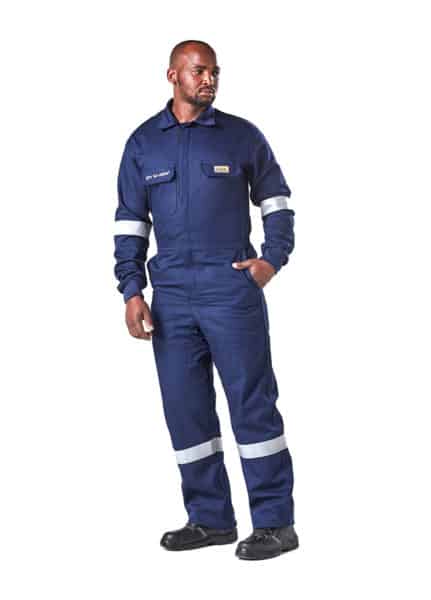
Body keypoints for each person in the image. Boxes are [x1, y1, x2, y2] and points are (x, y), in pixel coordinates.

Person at [113, 40, 299, 560]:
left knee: (252, 405)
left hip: (230, 289)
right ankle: (210, 519)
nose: (209, 79)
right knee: (186, 409)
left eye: (214, 71)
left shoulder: (241, 136)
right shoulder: (144, 143)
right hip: (170, 295)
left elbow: (277, 202)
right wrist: (132, 290)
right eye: (198, 71)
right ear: (173, 75)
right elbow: (130, 222)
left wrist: (271, 259)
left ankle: (275, 523)